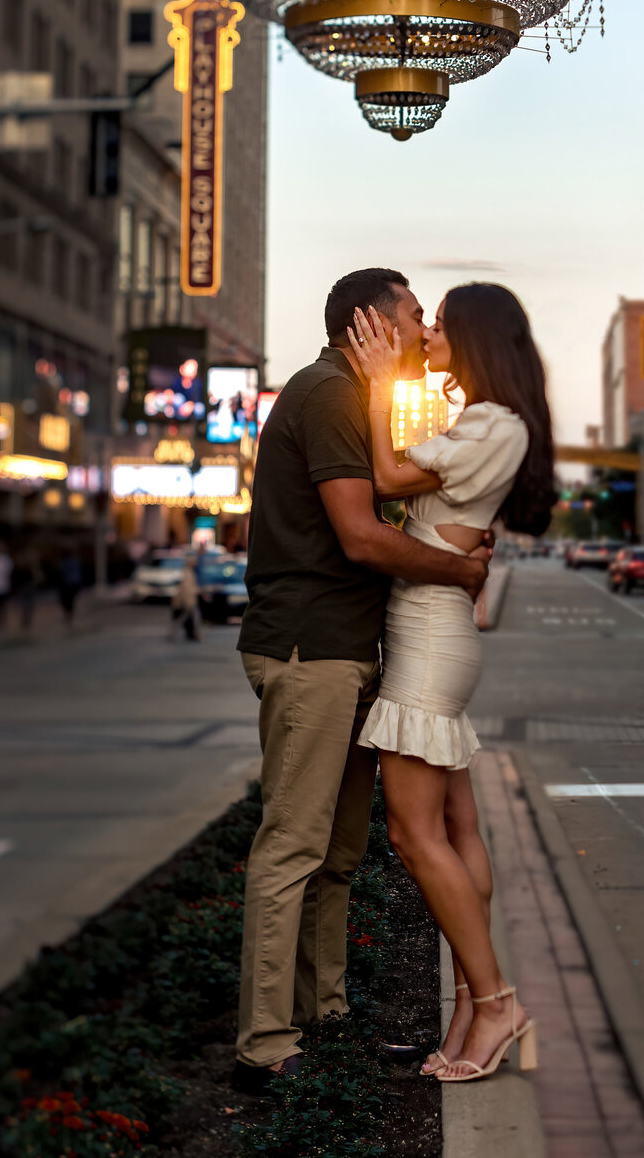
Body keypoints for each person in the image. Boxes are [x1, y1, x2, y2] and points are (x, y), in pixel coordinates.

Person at [233, 268, 492, 1095]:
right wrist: (457, 573)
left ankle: (327, 1016)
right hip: (310, 651)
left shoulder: (357, 398)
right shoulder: (328, 395)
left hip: (345, 651)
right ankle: (267, 1045)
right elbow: (360, 537)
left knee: (339, 854)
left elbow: (385, 503)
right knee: (294, 847)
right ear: (368, 324)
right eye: (415, 315)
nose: (423, 330)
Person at [346, 283, 554, 1084]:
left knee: (413, 833)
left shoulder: (493, 422)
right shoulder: (487, 421)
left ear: (473, 338)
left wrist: (372, 389)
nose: (428, 331)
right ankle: (475, 1002)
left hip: (431, 636)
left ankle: (496, 1001)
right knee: (458, 828)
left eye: (439, 323)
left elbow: (392, 479)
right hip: (433, 626)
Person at [173, 546, 203, 641]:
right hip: (188, 600)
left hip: (188, 600)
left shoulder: (188, 572)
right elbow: (187, 589)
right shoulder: (188, 573)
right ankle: (194, 634)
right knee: (191, 618)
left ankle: (191, 634)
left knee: (186, 618)